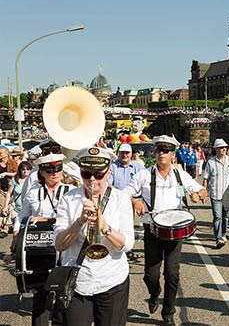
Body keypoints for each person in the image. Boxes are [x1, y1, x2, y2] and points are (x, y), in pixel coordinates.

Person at [124, 135, 207, 326]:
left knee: (172, 274)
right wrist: (136, 201)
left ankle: (168, 312)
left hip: (175, 231)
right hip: (152, 229)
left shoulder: (180, 175)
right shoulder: (144, 175)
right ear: (154, 153)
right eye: (159, 150)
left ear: (172, 154)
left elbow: (201, 190)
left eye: (166, 151)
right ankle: (154, 293)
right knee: (150, 275)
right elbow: (125, 193)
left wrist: (197, 194)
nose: (162, 154)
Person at [54, 146, 134, 326]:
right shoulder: (69, 199)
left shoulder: (120, 199)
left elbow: (127, 244)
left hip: (112, 280)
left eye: (98, 174)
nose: (92, 180)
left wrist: (105, 227)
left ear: (108, 172)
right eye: (86, 174)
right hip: (78, 282)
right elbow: (59, 245)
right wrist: (79, 221)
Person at [12, 153, 76, 326]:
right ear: (41, 172)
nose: (54, 173)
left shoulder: (71, 191)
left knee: (63, 288)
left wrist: (70, 169)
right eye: (49, 170)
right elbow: (22, 216)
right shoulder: (33, 191)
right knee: (41, 291)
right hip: (40, 246)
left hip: (64, 246)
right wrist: (16, 234)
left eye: (58, 169)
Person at [203, 138, 229, 248]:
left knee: (226, 217)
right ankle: (218, 237)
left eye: (225, 147)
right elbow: (206, 178)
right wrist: (204, 193)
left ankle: (223, 234)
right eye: (221, 147)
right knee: (217, 216)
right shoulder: (211, 162)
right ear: (216, 149)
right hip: (215, 193)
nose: (224, 149)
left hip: (228, 195)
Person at [2, 161, 32, 243]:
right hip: (17, 210)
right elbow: (9, 194)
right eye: (23, 169)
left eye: (28, 169)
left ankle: (23, 249)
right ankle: (15, 247)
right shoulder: (14, 180)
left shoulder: (33, 180)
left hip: (30, 210)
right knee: (16, 232)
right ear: (20, 170)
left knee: (28, 232)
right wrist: (5, 206)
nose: (25, 171)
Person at [0, 147, 19, 237]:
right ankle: (4, 228)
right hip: (1, 190)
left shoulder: (13, 163)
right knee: (2, 208)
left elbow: (17, 173)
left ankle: (6, 226)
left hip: (11, 188)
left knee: (8, 208)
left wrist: (6, 174)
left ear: (6, 154)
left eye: (1, 153)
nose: (0, 155)